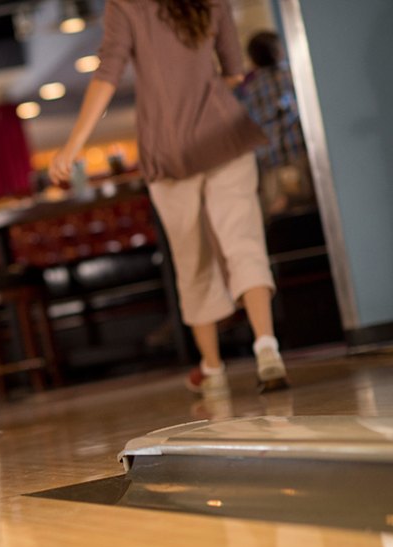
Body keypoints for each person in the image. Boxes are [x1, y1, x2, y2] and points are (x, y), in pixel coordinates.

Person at [48, 0, 289, 395]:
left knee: (191, 256)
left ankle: (213, 368)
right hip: (225, 135)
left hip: (168, 148)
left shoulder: (126, 5)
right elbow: (233, 72)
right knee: (243, 242)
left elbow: (108, 72)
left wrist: (73, 146)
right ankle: (267, 348)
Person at [238, 30, 315, 218]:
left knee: (281, 220)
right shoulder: (294, 76)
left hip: (271, 162)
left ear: (253, 59)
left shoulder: (249, 90)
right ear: (278, 51)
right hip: (301, 155)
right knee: (313, 210)